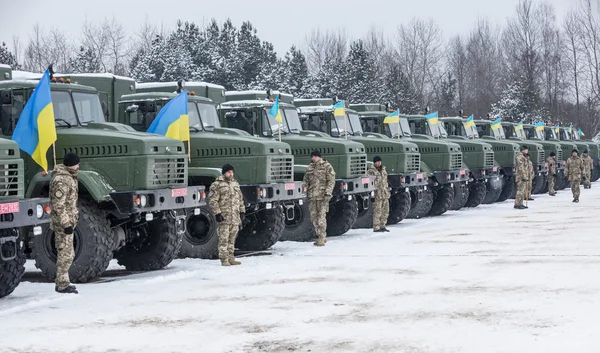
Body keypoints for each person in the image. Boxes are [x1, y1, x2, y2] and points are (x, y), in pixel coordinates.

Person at [50, 152, 80, 294]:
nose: (78, 166)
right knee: (65, 254)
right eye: (76, 163)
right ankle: (62, 284)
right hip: (63, 224)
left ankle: (63, 282)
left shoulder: (69, 177)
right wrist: (66, 224)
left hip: (68, 221)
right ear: (71, 164)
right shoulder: (62, 180)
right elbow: (59, 205)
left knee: (68, 254)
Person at [209, 164, 246, 266]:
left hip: (234, 216)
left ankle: (231, 258)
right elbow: (213, 201)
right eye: (229, 172)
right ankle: (224, 259)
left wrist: (242, 211)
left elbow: (240, 199)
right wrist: (217, 213)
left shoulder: (235, 184)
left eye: (232, 172)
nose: (231, 174)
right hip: (224, 217)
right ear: (224, 173)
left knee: (232, 239)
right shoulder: (217, 184)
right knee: (224, 239)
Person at [303, 150, 335, 246]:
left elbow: (331, 181)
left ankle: (322, 237)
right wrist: (305, 187)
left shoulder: (327, 166)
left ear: (318, 157)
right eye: (312, 157)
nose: (312, 158)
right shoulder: (310, 167)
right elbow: (306, 179)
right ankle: (320, 236)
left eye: (314, 156)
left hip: (322, 196)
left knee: (321, 217)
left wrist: (328, 193)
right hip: (312, 196)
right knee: (314, 217)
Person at [368, 156, 390, 232]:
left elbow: (386, 182)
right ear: (374, 162)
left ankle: (382, 225)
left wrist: (387, 192)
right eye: (377, 162)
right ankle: (376, 227)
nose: (379, 163)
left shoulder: (383, 169)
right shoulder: (371, 171)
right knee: (377, 211)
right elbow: (371, 184)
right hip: (377, 194)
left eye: (380, 161)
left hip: (385, 193)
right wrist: (372, 195)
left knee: (385, 210)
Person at [514, 145, 529, 209]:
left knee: (523, 190)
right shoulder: (520, 157)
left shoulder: (523, 157)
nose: (527, 151)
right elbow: (521, 168)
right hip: (521, 177)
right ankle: (517, 204)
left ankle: (520, 203)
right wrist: (524, 176)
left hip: (523, 176)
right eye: (526, 149)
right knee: (520, 190)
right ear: (523, 150)